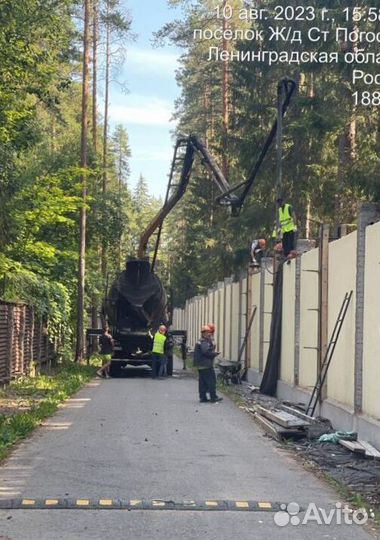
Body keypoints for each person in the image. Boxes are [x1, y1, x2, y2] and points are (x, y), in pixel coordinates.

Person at [193, 325, 222, 403]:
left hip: (200, 364)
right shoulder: (204, 341)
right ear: (205, 333)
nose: (210, 334)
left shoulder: (201, 340)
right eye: (209, 333)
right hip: (205, 364)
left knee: (202, 381)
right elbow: (206, 352)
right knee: (211, 380)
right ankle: (213, 397)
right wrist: (214, 353)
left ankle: (203, 397)